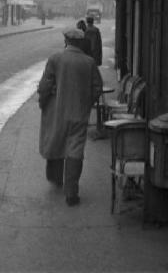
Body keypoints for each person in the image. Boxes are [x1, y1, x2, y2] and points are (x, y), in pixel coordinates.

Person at [38, 27, 103, 206]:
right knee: (75, 150)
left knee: (56, 142)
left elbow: (44, 86)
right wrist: (86, 104)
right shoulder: (89, 62)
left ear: (66, 41)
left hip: (57, 112)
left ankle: (56, 178)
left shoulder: (55, 59)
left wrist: (43, 102)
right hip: (79, 114)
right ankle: (71, 194)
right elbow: (98, 88)